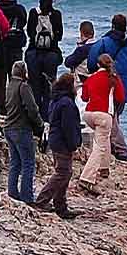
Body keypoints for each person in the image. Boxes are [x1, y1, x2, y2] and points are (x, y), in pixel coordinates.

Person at [77, 14, 127, 161]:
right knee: (114, 117)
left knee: (110, 118)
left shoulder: (103, 43)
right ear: (126, 27)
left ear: (112, 26)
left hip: (105, 87)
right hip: (125, 87)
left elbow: (91, 62)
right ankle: (111, 148)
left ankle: (119, 150)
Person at [33, 72, 83, 218]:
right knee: (62, 172)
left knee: (64, 173)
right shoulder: (67, 103)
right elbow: (68, 126)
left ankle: (60, 205)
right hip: (62, 142)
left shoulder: (56, 99)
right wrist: (74, 143)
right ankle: (43, 201)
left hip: (55, 140)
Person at [0, 61, 44, 202]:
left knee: (15, 163)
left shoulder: (10, 86)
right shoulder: (23, 87)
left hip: (9, 127)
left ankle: (12, 194)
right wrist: (40, 124)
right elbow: (32, 108)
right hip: (21, 129)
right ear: (24, 72)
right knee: (28, 163)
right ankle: (27, 197)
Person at [80, 54, 126, 181]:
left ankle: (104, 168)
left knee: (103, 138)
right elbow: (121, 97)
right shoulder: (113, 79)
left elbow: (84, 97)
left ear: (98, 65)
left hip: (88, 114)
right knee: (99, 146)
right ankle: (87, 177)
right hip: (104, 114)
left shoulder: (91, 78)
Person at [25, 0, 65, 110]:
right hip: (51, 54)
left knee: (34, 85)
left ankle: (34, 114)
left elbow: (30, 33)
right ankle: (48, 114)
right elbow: (59, 36)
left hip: (33, 53)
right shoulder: (56, 14)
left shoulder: (33, 13)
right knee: (49, 86)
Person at [0, 0, 29, 104]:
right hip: (15, 45)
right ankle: (16, 104)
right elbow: (23, 23)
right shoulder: (19, 9)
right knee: (16, 78)